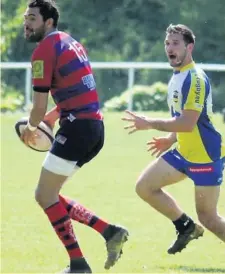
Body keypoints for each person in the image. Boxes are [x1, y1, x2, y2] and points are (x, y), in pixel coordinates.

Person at [21, 0, 128, 273]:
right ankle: (109, 231)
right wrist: (52, 117)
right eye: (25, 17)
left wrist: (30, 129)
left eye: (32, 18)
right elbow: (77, 90)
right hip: (93, 128)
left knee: (44, 195)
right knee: (50, 194)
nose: (26, 23)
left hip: (77, 129)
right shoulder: (70, 42)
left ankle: (79, 265)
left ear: (48, 22)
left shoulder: (43, 50)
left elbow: (38, 107)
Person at [122, 24, 225, 254]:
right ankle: (186, 227)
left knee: (209, 218)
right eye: (167, 43)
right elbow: (181, 118)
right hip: (183, 152)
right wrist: (170, 138)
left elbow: (188, 123)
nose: (170, 48)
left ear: (190, 47)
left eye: (175, 43)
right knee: (145, 187)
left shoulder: (195, 79)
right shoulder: (177, 75)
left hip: (204, 155)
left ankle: (194, 225)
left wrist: (149, 123)